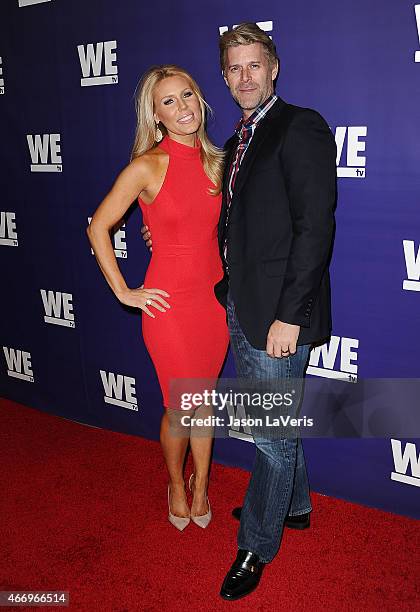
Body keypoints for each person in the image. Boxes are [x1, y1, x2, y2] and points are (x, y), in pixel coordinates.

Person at [142, 23, 337, 600]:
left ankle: (256, 545)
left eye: (254, 65)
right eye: (234, 68)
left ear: (273, 67)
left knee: (271, 437)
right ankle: (294, 507)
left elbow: (314, 230)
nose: (244, 77)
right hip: (239, 307)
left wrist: (291, 315)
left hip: (280, 315)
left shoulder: (298, 126)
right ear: (223, 78)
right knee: (276, 427)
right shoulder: (237, 140)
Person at [87, 65, 229, 532]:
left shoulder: (219, 162)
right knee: (178, 404)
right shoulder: (148, 164)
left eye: (187, 95)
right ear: (154, 113)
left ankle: (202, 483)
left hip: (213, 304)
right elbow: (98, 226)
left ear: (200, 99)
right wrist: (124, 291)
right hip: (168, 307)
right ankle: (174, 481)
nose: (183, 107)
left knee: (204, 401)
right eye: (169, 101)